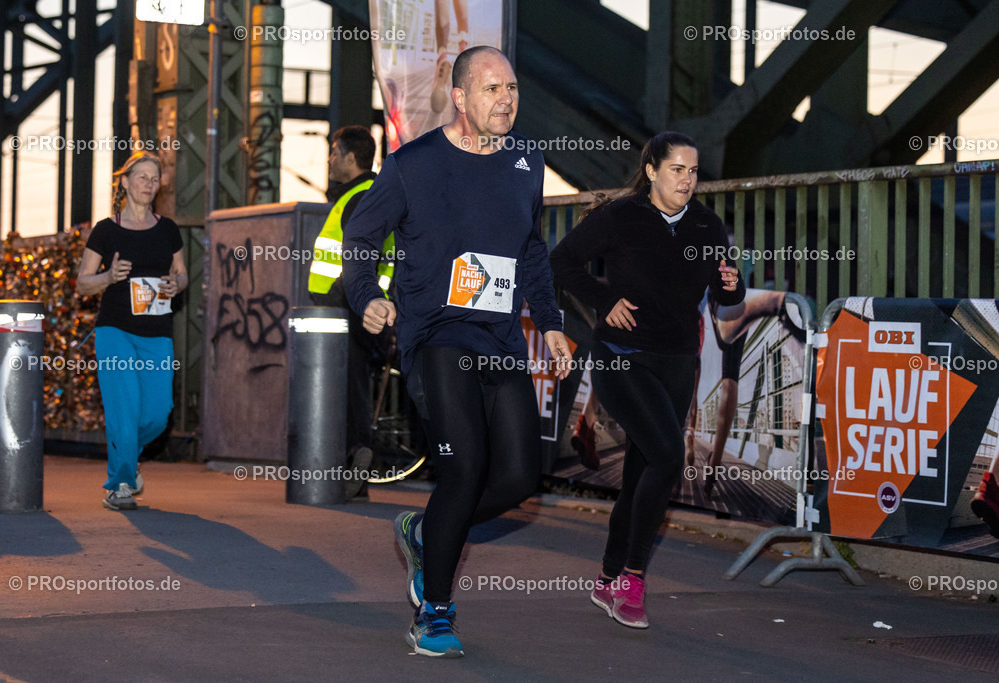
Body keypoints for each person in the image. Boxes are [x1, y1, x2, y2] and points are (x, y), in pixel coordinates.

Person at [342, 45, 572, 658]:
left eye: (513, 88)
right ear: (461, 97)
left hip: (499, 339)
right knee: (465, 467)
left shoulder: (526, 160)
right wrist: (366, 293)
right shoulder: (413, 165)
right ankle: (434, 610)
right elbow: (360, 236)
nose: (507, 100)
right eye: (492, 89)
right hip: (437, 336)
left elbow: (530, 249)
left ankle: (425, 531)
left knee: (521, 476)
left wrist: (548, 322)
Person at [550, 132, 744, 629]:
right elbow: (562, 262)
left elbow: (726, 297)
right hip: (621, 357)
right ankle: (633, 580)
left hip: (677, 361)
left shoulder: (707, 225)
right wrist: (603, 299)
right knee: (666, 454)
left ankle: (609, 575)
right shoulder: (620, 217)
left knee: (641, 471)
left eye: (694, 171)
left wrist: (732, 285)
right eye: (677, 169)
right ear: (653, 170)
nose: (687, 179)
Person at [77, 151, 187, 511]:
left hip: (157, 331)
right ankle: (119, 484)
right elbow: (82, 284)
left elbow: (182, 273)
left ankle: (127, 455)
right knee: (124, 411)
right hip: (115, 330)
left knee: (157, 413)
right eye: (142, 177)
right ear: (125, 182)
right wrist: (108, 276)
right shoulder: (106, 230)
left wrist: (176, 284)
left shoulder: (168, 228)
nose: (149, 184)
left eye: (155, 178)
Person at [307, 125, 393, 497]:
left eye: (333, 152)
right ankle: (354, 470)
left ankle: (354, 455)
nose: (329, 160)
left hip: (349, 310)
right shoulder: (365, 194)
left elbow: (361, 259)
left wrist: (336, 300)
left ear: (349, 157)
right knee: (352, 384)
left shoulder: (360, 198)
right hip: (359, 309)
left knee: (344, 388)